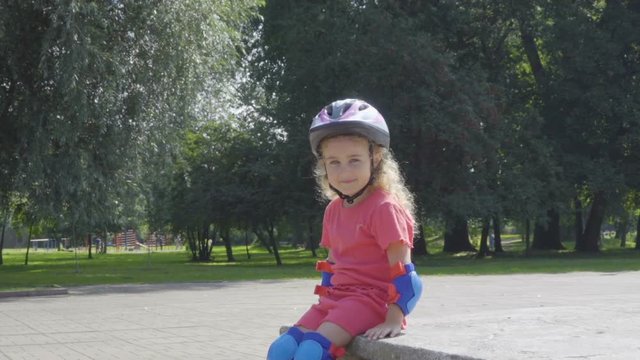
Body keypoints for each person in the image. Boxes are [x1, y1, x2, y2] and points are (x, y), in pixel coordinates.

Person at [267, 99, 423, 360]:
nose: (344, 172)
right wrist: (324, 305)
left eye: (354, 160)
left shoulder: (384, 208)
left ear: (375, 158)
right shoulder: (333, 210)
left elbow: (406, 276)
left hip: (370, 302)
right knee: (280, 349)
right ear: (323, 165)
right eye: (334, 162)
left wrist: (394, 319)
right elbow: (331, 266)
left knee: (311, 352)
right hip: (336, 300)